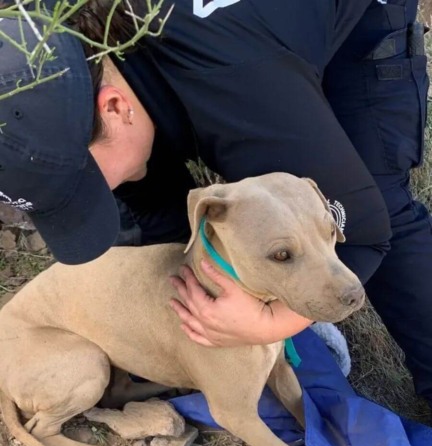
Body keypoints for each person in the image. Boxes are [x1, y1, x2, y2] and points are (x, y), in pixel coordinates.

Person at [0, 1, 431, 402]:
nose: (96, 197)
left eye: (84, 185)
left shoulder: (246, 95)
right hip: (230, 52)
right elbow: (159, 211)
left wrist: (273, 323)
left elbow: (367, 230)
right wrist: (215, 303)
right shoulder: (53, 51)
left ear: (114, 106)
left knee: (380, 198)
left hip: (343, 27)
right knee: (139, 170)